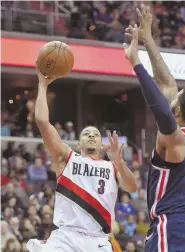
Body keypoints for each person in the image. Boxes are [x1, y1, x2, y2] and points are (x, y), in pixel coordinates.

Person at [124, 4, 185, 252]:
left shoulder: (175, 137)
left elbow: (162, 111)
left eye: (177, 97)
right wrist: (148, 40)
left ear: (177, 110)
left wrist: (136, 64)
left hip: (174, 227)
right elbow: (167, 82)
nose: (173, 93)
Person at [26, 70, 137, 252]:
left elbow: (132, 188)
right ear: (78, 143)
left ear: (102, 145)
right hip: (65, 237)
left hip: (98, 239)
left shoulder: (112, 166)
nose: (91, 136)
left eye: (95, 134)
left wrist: (120, 163)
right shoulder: (66, 157)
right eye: (86, 134)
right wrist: (42, 85)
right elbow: (42, 122)